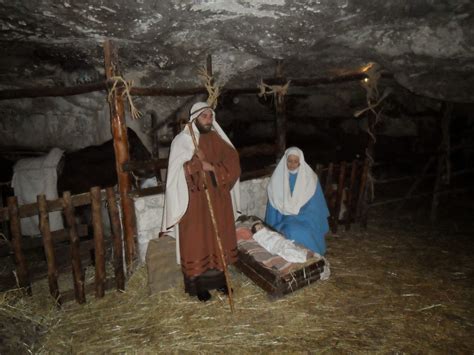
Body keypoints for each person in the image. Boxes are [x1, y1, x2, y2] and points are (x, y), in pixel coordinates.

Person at [161, 102, 241, 302]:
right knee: (197, 242)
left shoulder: (217, 138)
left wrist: (211, 167)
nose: (209, 119)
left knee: (218, 240)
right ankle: (198, 287)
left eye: (211, 116)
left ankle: (221, 281)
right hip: (194, 202)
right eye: (205, 116)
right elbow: (176, 174)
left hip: (217, 198)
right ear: (195, 118)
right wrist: (196, 164)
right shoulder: (182, 141)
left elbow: (233, 162)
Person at [265, 147, 329, 255]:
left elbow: (315, 205)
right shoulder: (277, 179)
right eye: (289, 161)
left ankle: (312, 255)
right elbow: (273, 206)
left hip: (307, 217)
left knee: (298, 230)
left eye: (295, 161)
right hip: (284, 218)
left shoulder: (310, 179)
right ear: (285, 161)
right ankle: (292, 257)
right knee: (289, 230)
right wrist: (273, 227)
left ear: (300, 162)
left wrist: (299, 214)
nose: (292, 164)